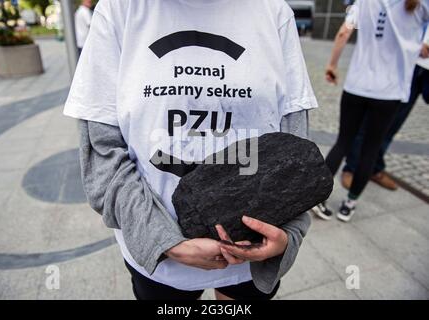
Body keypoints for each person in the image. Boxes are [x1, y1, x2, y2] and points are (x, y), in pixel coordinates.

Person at [64, 0, 318, 300]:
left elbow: (296, 154)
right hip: (160, 262)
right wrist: (162, 240)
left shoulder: (273, 12)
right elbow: (102, 152)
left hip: (251, 255)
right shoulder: (120, 9)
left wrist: (288, 235)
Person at [312, 0, 429, 223]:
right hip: (390, 92)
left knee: (343, 142)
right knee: (371, 149)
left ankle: (317, 198)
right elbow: (424, 50)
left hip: (357, 85)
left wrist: (332, 65)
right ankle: (349, 204)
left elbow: (344, 32)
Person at [341, 29, 429, 191]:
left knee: (392, 125)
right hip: (404, 63)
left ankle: (374, 167)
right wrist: (416, 45)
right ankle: (351, 168)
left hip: (425, 70)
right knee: (369, 124)